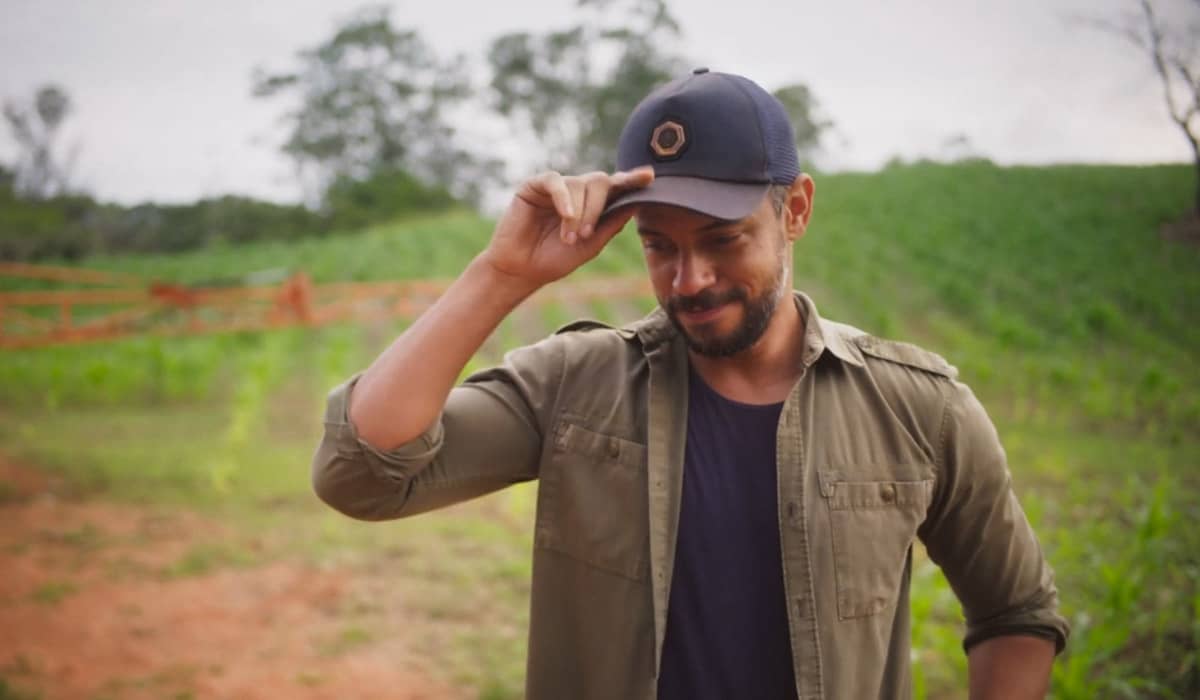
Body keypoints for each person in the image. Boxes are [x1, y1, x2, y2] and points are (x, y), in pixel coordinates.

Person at [311, 68, 1069, 699]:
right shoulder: (576, 385)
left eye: (722, 239)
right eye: (658, 246)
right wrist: (501, 274)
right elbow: (362, 475)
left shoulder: (916, 407)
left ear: (795, 209)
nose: (690, 279)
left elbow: (1016, 611)